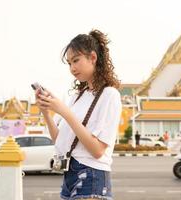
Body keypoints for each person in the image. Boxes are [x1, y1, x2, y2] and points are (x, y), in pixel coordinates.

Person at [35, 29, 121, 200]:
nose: (72, 68)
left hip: (92, 175)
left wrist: (65, 112)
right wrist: (46, 111)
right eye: (69, 63)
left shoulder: (109, 95)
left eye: (76, 60)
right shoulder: (77, 97)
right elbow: (59, 141)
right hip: (69, 176)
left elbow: (97, 151)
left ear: (93, 58)